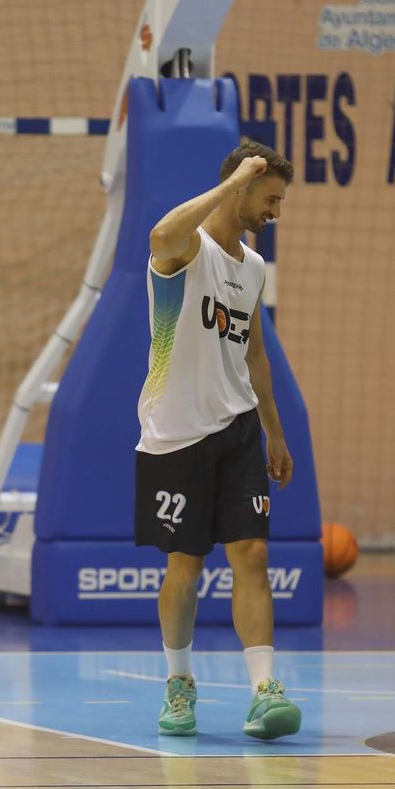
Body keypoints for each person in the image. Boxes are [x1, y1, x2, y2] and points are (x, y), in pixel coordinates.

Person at [137, 139, 301, 741]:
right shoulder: (187, 248)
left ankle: (265, 691)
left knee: (252, 554)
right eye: (270, 198)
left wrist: (274, 432)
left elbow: (254, 351)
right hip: (177, 431)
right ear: (241, 187)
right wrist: (231, 184)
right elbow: (159, 234)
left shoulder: (253, 266)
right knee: (185, 566)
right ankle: (179, 682)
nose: (276, 211)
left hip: (238, 430)